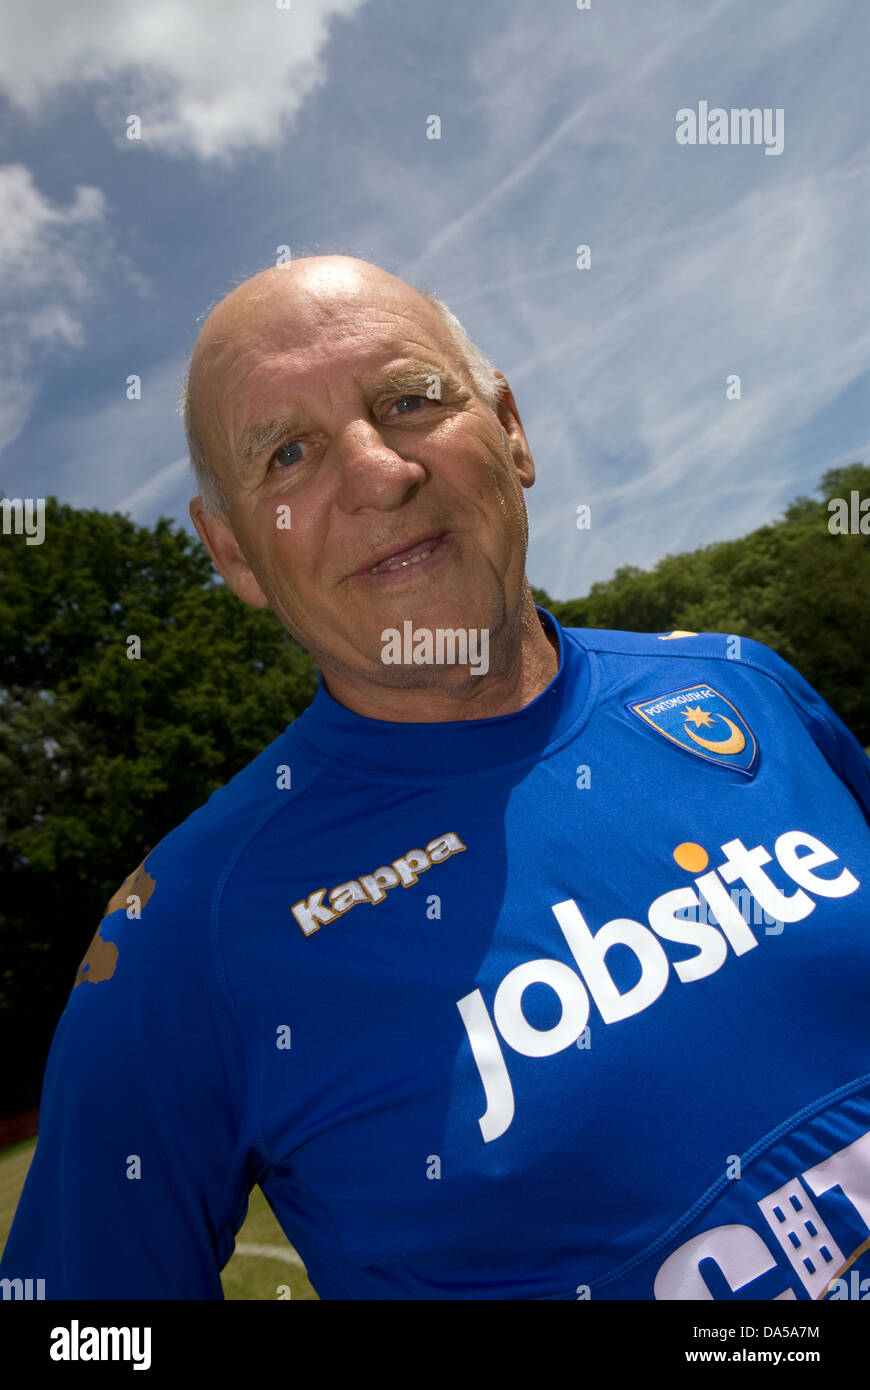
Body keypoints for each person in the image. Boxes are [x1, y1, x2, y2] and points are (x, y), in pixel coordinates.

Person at [2, 256, 869, 1302]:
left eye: (410, 400)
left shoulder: (746, 685)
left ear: (511, 429)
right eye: (286, 454)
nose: (378, 472)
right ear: (232, 553)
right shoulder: (182, 937)